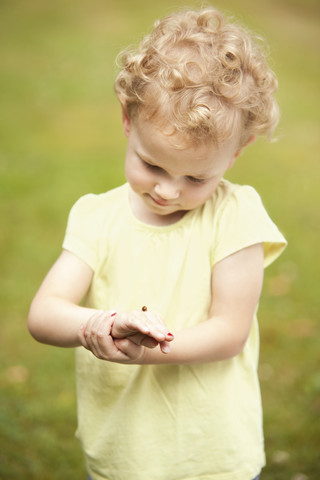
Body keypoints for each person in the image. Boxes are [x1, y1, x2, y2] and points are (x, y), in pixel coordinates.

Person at [28, 6, 287, 480]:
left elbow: (230, 330)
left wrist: (147, 349)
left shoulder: (235, 215)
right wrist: (98, 326)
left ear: (238, 151)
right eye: (151, 165)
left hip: (213, 454)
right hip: (123, 452)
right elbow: (44, 314)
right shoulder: (97, 216)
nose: (168, 190)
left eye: (194, 176)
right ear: (128, 121)